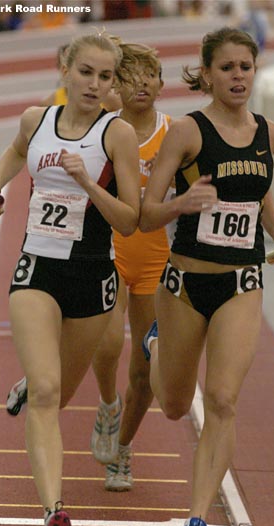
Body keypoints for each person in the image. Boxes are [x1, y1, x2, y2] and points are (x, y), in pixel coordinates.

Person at [139, 27, 274, 526]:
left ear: (255, 72)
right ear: (207, 73)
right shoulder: (187, 132)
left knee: (223, 401)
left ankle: (196, 522)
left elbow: (258, 192)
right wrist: (183, 203)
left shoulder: (270, 133)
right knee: (170, 404)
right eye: (227, 68)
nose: (238, 77)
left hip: (242, 283)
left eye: (245, 67)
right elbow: (146, 212)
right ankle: (157, 345)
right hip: (185, 286)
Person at [0, 31, 142, 526]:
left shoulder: (117, 136)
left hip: (92, 275)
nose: (95, 84)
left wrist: (91, 185)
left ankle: (31, 384)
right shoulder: (37, 120)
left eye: (106, 76)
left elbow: (131, 221)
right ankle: (53, 510)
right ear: (66, 70)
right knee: (48, 394)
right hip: (38, 268)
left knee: (60, 393)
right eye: (86, 73)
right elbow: (13, 151)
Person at [91, 44, 173, 491]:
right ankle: (107, 403)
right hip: (108, 252)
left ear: (162, 82)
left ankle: (122, 449)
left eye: (149, 74)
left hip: (156, 261)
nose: (141, 83)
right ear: (113, 85)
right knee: (106, 345)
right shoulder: (101, 131)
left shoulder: (176, 134)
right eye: (130, 75)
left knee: (144, 369)